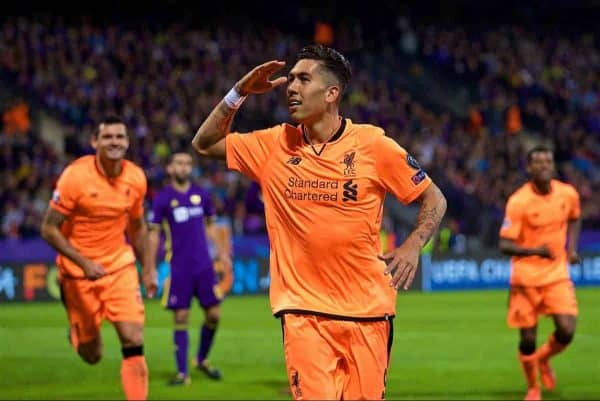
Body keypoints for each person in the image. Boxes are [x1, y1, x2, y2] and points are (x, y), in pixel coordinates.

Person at [191, 44, 447, 400]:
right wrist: (239, 93)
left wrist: (413, 245)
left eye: (303, 79)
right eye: (291, 79)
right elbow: (204, 143)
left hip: (368, 311)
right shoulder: (275, 144)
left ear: (331, 93)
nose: (291, 87)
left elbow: (434, 197)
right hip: (303, 311)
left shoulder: (373, 145)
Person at [40, 115, 157, 400]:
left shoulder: (135, 177)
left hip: (119, 267)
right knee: (92, 355)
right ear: (95, 142)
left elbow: (138, 227)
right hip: (78, 274)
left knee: (133, 339)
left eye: (119, 137)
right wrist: (84, 263)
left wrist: (148, 269)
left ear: (127, 142)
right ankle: (78, 333)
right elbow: (48, 228)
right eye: (108, 137)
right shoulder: (74, 177)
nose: (114, 142)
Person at [499, 146, 581, 401]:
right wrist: (535, 250)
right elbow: (504, 244)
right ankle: (533, 387)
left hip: (556, 274)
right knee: (527, 338)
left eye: (548, 161)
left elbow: (575, 217)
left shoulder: (567, 194)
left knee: (567, 330)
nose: (544, 165)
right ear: (529, 167)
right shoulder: (519, 201)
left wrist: (572, 249)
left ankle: (543, 360)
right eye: (538, 162)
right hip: (525, 277)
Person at [147, 151, 232, 385]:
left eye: (187, 163)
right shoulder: (163, 199)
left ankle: (201, 360)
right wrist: (150, 266)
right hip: (180, 267)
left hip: (204, 266)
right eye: (179, 163)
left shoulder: (202, 195)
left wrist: (223, 253)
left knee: (214, 315)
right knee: (181, 316)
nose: (184, 167)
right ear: (170, 168)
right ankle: (182, 374)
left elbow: (213, 227)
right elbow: (153, 234)